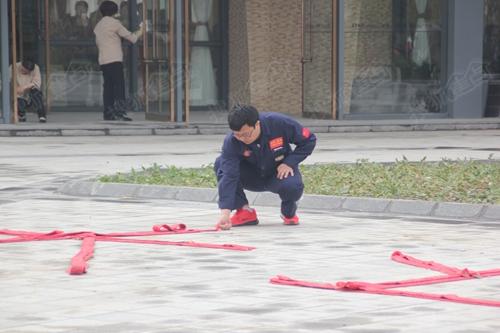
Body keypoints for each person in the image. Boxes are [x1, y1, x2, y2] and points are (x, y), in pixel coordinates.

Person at [214, 105, 317, 230]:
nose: (242, 139)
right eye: (237, 135)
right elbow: (228, 176)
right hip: (252, 176)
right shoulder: (231, 141)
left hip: (278, 173)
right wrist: (225, 213)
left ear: (257, 124)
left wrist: (289, 163)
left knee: (293, 186)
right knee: (221, 163)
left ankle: (288, 212)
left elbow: (309, 140)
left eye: (246, 134)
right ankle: (244, 211)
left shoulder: (279, 123)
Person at [94, 1, 143, 121]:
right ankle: (120, 113)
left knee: (108, 87)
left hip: (104, 60)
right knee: (119, 86)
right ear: (115, 11)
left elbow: (98, 42)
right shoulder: (115, 23)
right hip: (115, 59)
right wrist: (142, 29)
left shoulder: (98, 25)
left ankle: (108, 113)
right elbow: (132, 38)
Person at [12, 58, 46, 123]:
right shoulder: (13, 67)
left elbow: (37, 83)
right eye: (22, 70)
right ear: (21, 65)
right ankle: (21, 115)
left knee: (36, 92)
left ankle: (42, 115)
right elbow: (4, 80)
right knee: (19, 101)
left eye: (26, 72)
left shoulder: (36, 68)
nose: (23, 72)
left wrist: (24, 87)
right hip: (18, 94)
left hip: (30, 93)